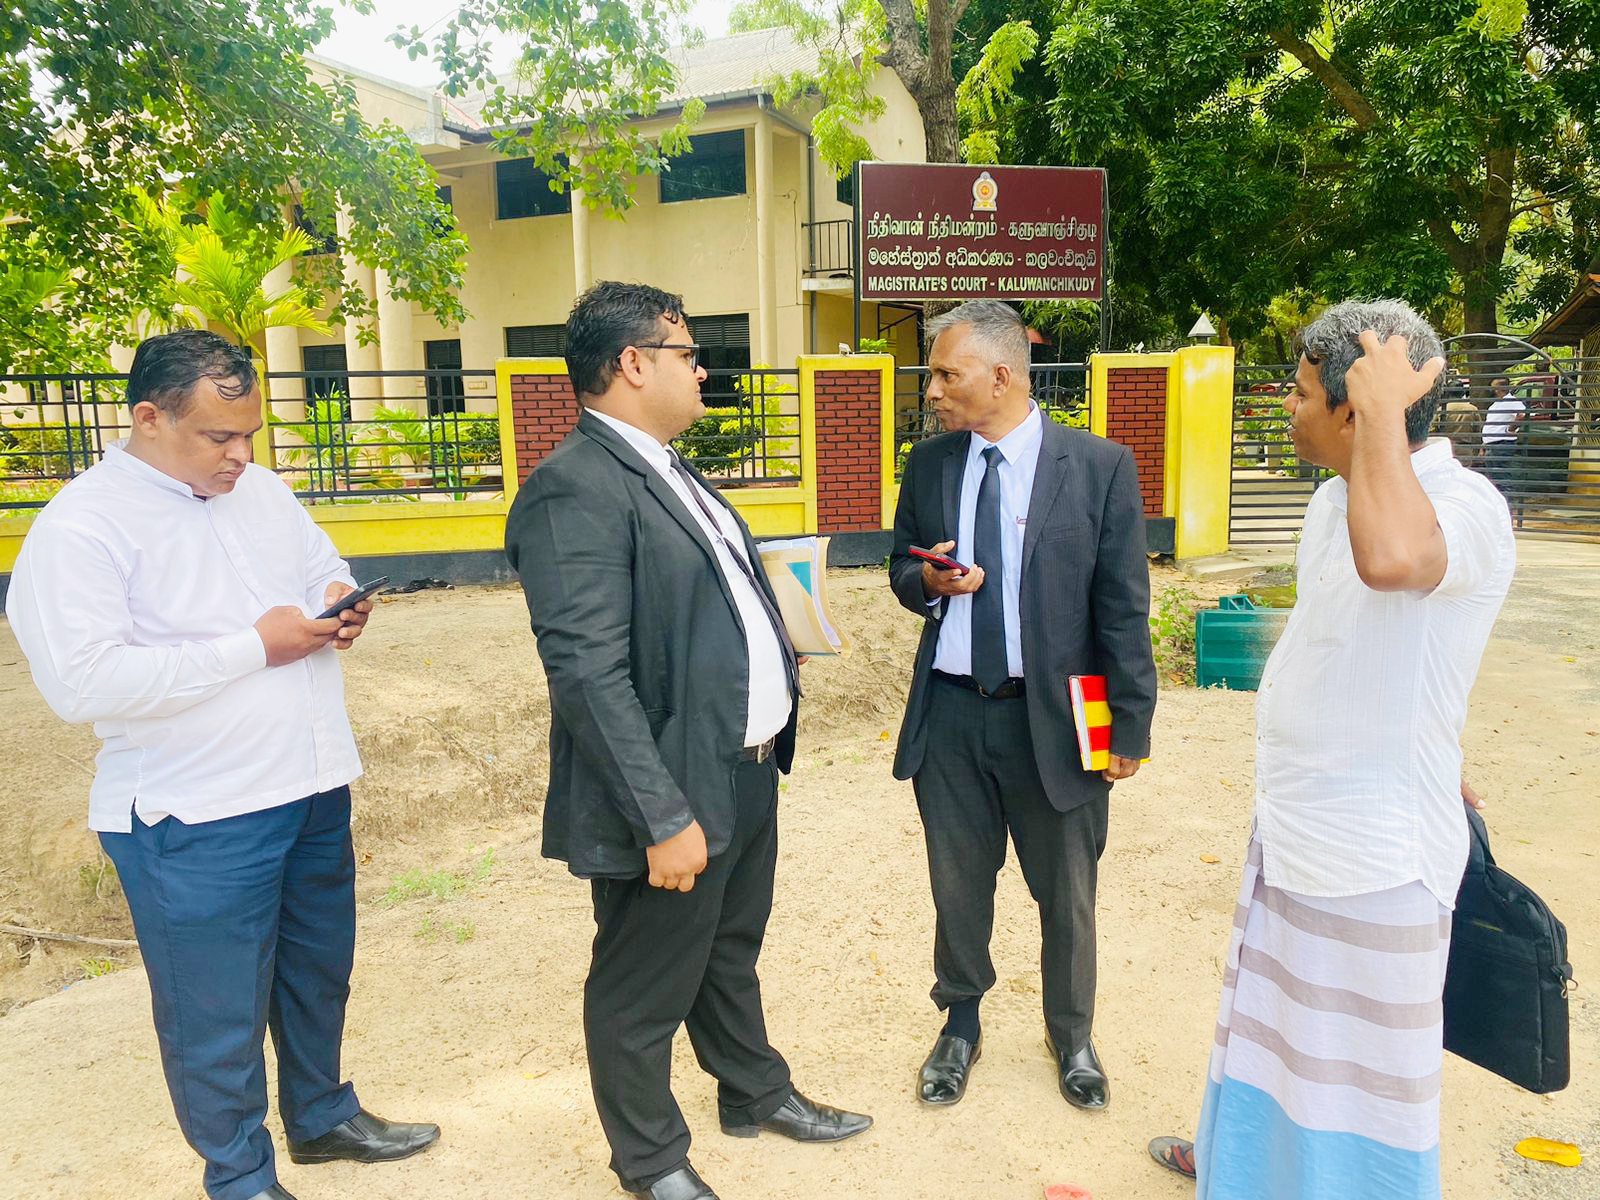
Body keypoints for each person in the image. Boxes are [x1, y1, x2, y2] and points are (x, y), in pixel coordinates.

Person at [4, 330, 439, 1200]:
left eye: (249, 435)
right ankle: (240, 1176)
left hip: (310, 781)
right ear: (149, 418)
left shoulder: (262, 490)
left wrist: (336, 603)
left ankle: (321, 1116)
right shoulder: (82, 527)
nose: (240, 455)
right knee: (216, 1008)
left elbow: (320, 566)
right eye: (218, 437)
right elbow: (83, 684)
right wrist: (252, 648)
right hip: (195, 811)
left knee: (317, 973)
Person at [504, 281, 871, 1200]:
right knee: (641, 986)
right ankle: (652, 1160)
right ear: (632, 363)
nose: (703, 369)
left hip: (743, 766)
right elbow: (587, 674)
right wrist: (662, 818)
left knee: (728, 950)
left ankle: (753, 1093)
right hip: (671, 788)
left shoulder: (670, 470)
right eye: (688, 353)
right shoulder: (572, 489)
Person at [1148, 300, 1515, 1198]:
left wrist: (1384, 409)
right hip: (1298, 834)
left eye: (1305, 391)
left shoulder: (1465, 505)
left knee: (1357, 1091)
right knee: (1277, 1046)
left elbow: (1393, 564)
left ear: (1357, 410)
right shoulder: (1332, 501)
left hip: (1375, 865)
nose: (1287, 404)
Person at [888, 300, 1156, 1112]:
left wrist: (1127, 726)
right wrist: (926, 582)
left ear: (1001, 375)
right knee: (957, 888)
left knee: (1067, 891)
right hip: (950, 714)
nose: (932, 390)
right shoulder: (931, 464)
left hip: (1058, 720)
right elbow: (901, 568)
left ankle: (1071, 1033)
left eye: (947, 373)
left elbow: (1122, 609)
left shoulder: (1098, 466)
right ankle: (960, 1024)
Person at [1480, 375, 1525, 492]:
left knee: (1501, 476)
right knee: (1494, 477)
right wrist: (1483, 446)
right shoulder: (1497, 404)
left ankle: (1508, 499)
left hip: (1501, 443)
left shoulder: (1511, 401)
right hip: (1492, 444)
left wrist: (1510, 430)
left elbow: (1522, 415)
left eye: (1494, 387)